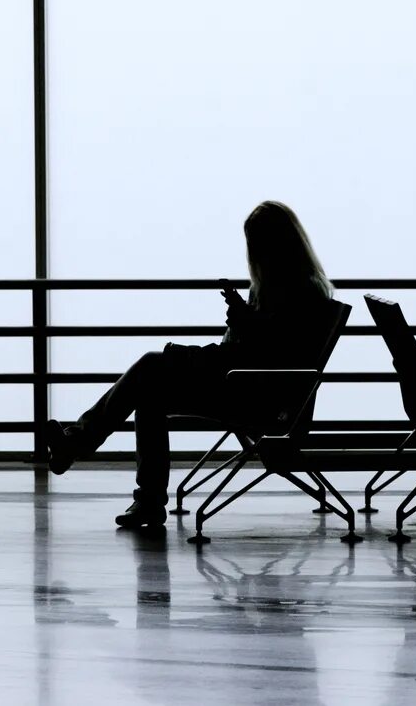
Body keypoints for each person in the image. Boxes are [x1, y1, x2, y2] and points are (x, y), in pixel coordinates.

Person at [43, 201, 336, 529]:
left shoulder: (300, 293)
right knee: (150, 385)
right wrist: (244, 326)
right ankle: (134, 489)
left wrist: (245, 327)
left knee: (151, 371)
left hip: (261, 401)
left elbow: (274, 361)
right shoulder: (296, 290)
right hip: (249, 391)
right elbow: (257, 354)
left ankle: (102, 462)